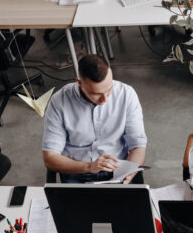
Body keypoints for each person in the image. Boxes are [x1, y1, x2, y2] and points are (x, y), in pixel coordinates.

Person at [42, 54, 146, 183]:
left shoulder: (126, 94)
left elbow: (138, 146)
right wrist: (89, 167)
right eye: (96, 94)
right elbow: (50, 157)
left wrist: (129, 172)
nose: (105, 99)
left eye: (109, 90)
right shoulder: (59, 102)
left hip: (118, 170)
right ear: (79, 83)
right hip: (77, 171)